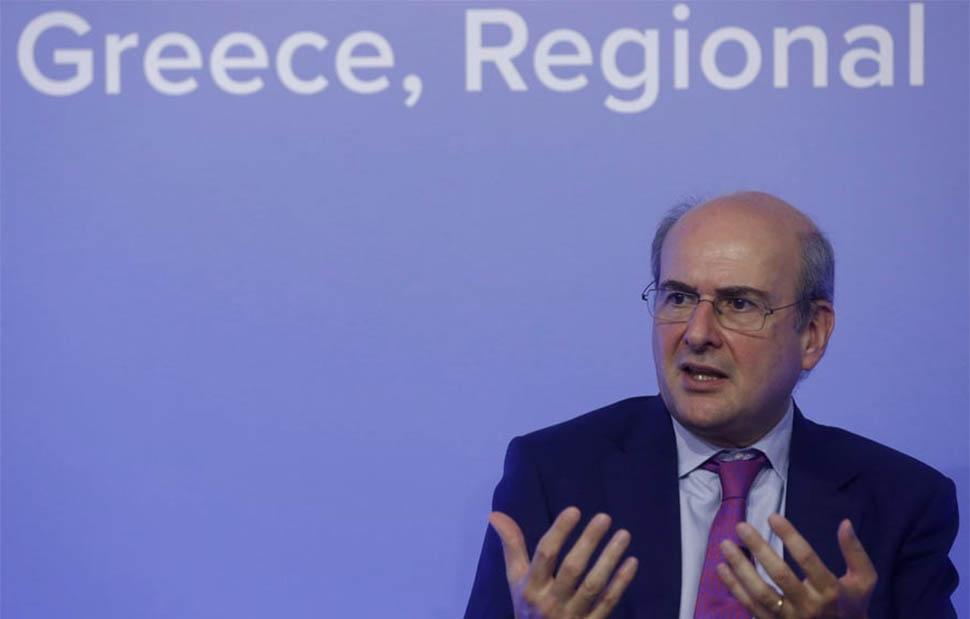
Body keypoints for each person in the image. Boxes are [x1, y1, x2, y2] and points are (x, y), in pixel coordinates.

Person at [464, 192, 959, 618]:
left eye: (739, 304)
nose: (697, 333)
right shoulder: (554, 475)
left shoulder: (902, 502)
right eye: (678, 298)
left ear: (812, 332)